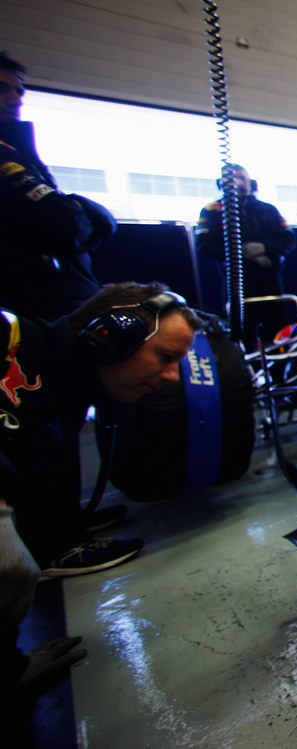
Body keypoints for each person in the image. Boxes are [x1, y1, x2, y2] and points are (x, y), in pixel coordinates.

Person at [2, 283, 200, 694]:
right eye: (165, 357)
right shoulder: (9, 337)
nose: (170, 377)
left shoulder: (57, 391)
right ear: (107, 337)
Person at [0, 51, 117, 322]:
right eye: (2, 89)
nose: (15, 100)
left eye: (19, 91)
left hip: (63, 310)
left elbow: (68, 219)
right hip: (32, 316)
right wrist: (77, 211)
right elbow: (67, 222)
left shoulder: (17, 152)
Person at [194, 164, 296, 302]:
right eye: (233, 178)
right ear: (222, 183)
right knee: (239, 321)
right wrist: (241, 252)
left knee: (277, 321)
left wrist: (264, 247)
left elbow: (289, 240)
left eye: (242, 178)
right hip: (235, 283)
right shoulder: (212, 211)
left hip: (270, 278)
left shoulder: (268, 209)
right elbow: (204, 245)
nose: (239, 182)